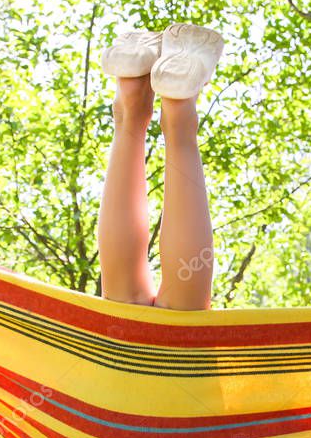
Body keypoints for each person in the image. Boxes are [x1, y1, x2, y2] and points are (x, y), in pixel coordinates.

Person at [96, 23, 224, 311]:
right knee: (128, 306)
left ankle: (168, 107)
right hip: (117, 341)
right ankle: (144, 100)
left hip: (126, 349)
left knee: (179, 319)